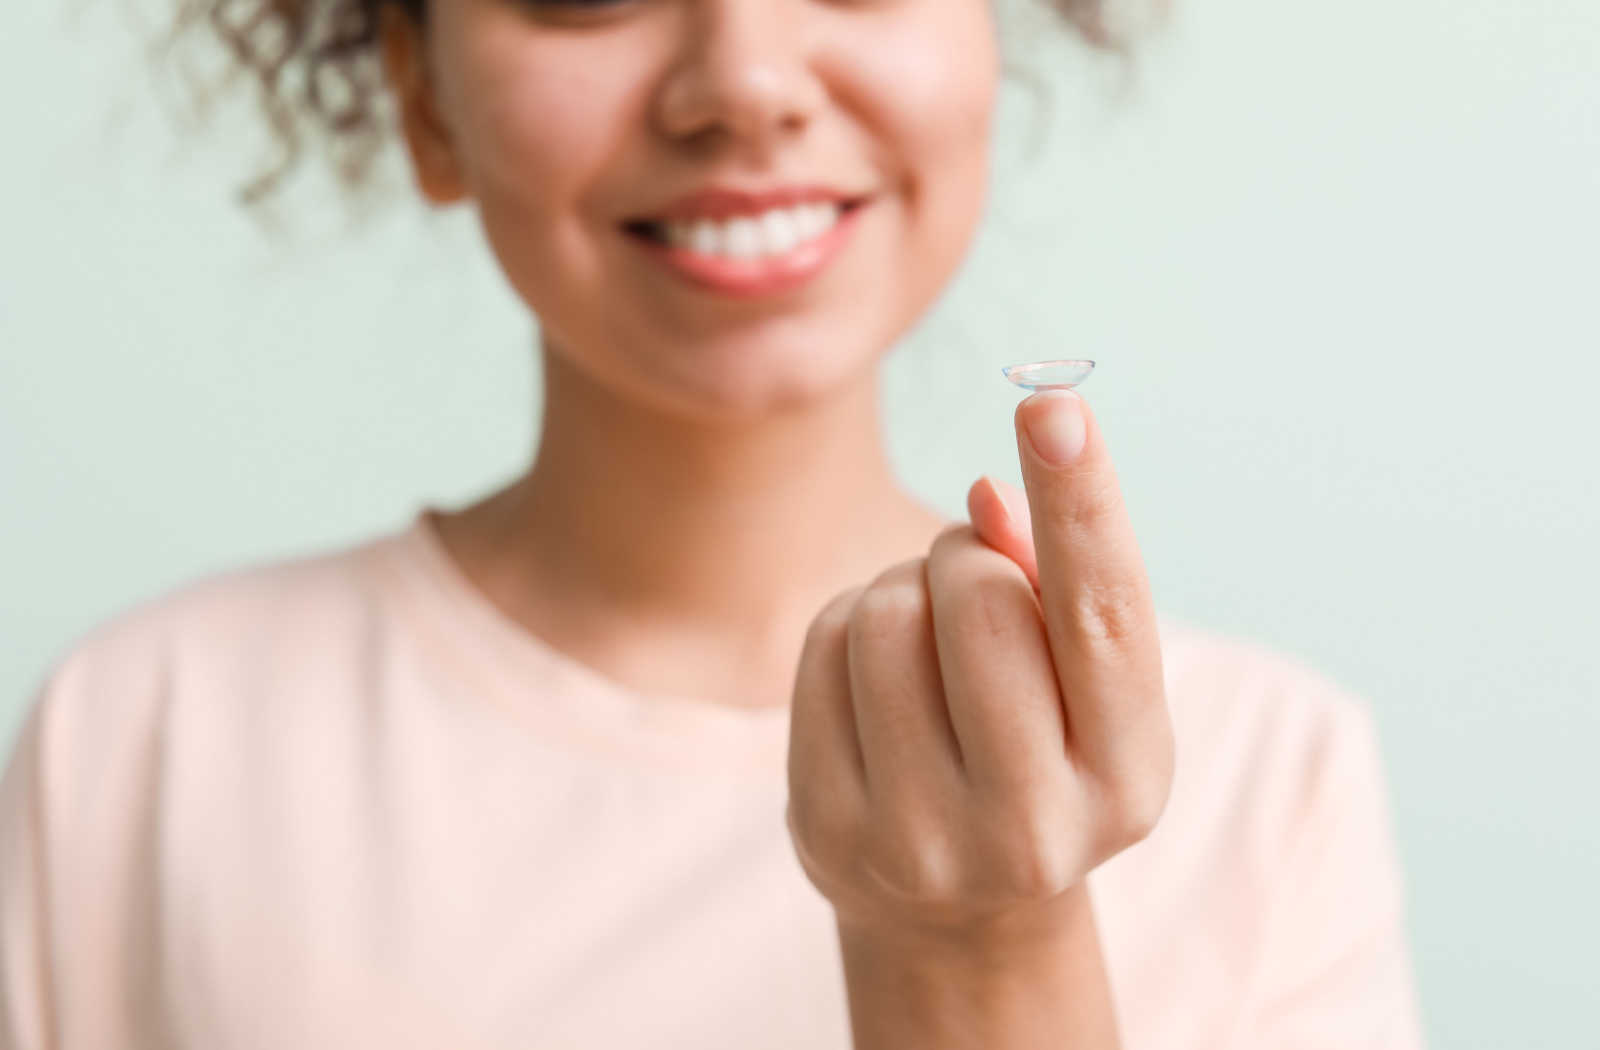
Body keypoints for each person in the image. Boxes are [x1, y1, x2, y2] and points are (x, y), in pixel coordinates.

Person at [0, 0, 1427, 1046]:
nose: (744, 82)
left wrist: (985, 953)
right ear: (427, 101)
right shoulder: (144, 742)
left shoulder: (1265, 787)